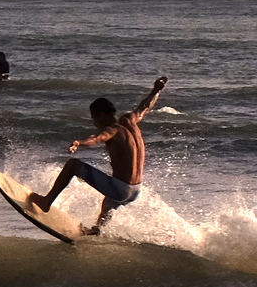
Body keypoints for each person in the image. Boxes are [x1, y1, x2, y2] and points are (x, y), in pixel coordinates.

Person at [31, 76, 169, 235]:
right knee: (110, 199)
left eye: (93, 118)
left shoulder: (112, 129)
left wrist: (80, 143)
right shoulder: (131, 120)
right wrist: (156, 91)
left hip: (121, 189)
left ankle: (46, 201)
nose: (94, 123)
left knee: (73, 165)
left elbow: (98, 138)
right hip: (136, 190)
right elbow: (145, 107)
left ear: (101, 115)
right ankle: (96, 230)